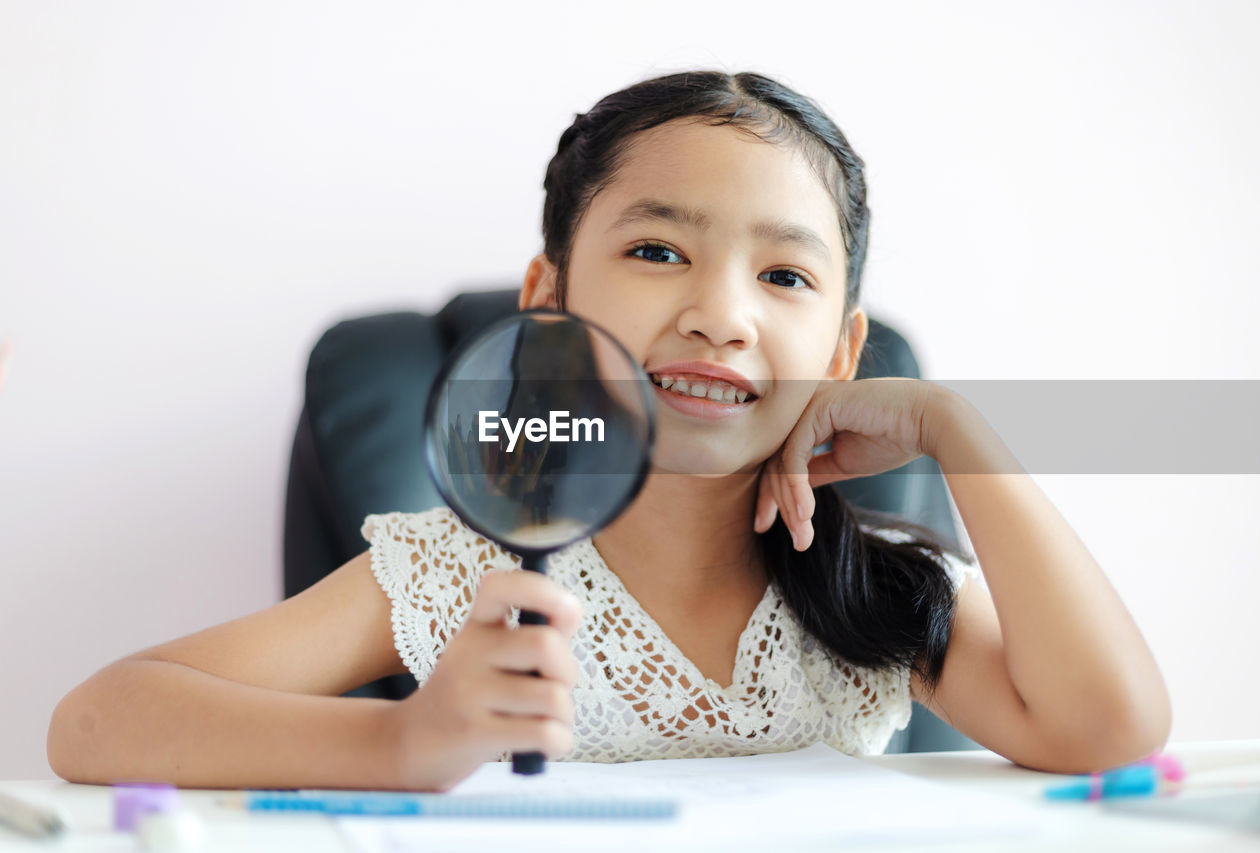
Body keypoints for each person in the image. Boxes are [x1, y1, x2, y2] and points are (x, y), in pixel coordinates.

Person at [47, 70, 1171, 792]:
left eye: (781, 274)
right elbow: (97, 724)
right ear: (549, 296)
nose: (717, 315)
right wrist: (400, 743)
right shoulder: (461, 570)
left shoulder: (880, 592)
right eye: (656, 251)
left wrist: (957, 433)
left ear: (839, 351)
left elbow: (1109, 731)